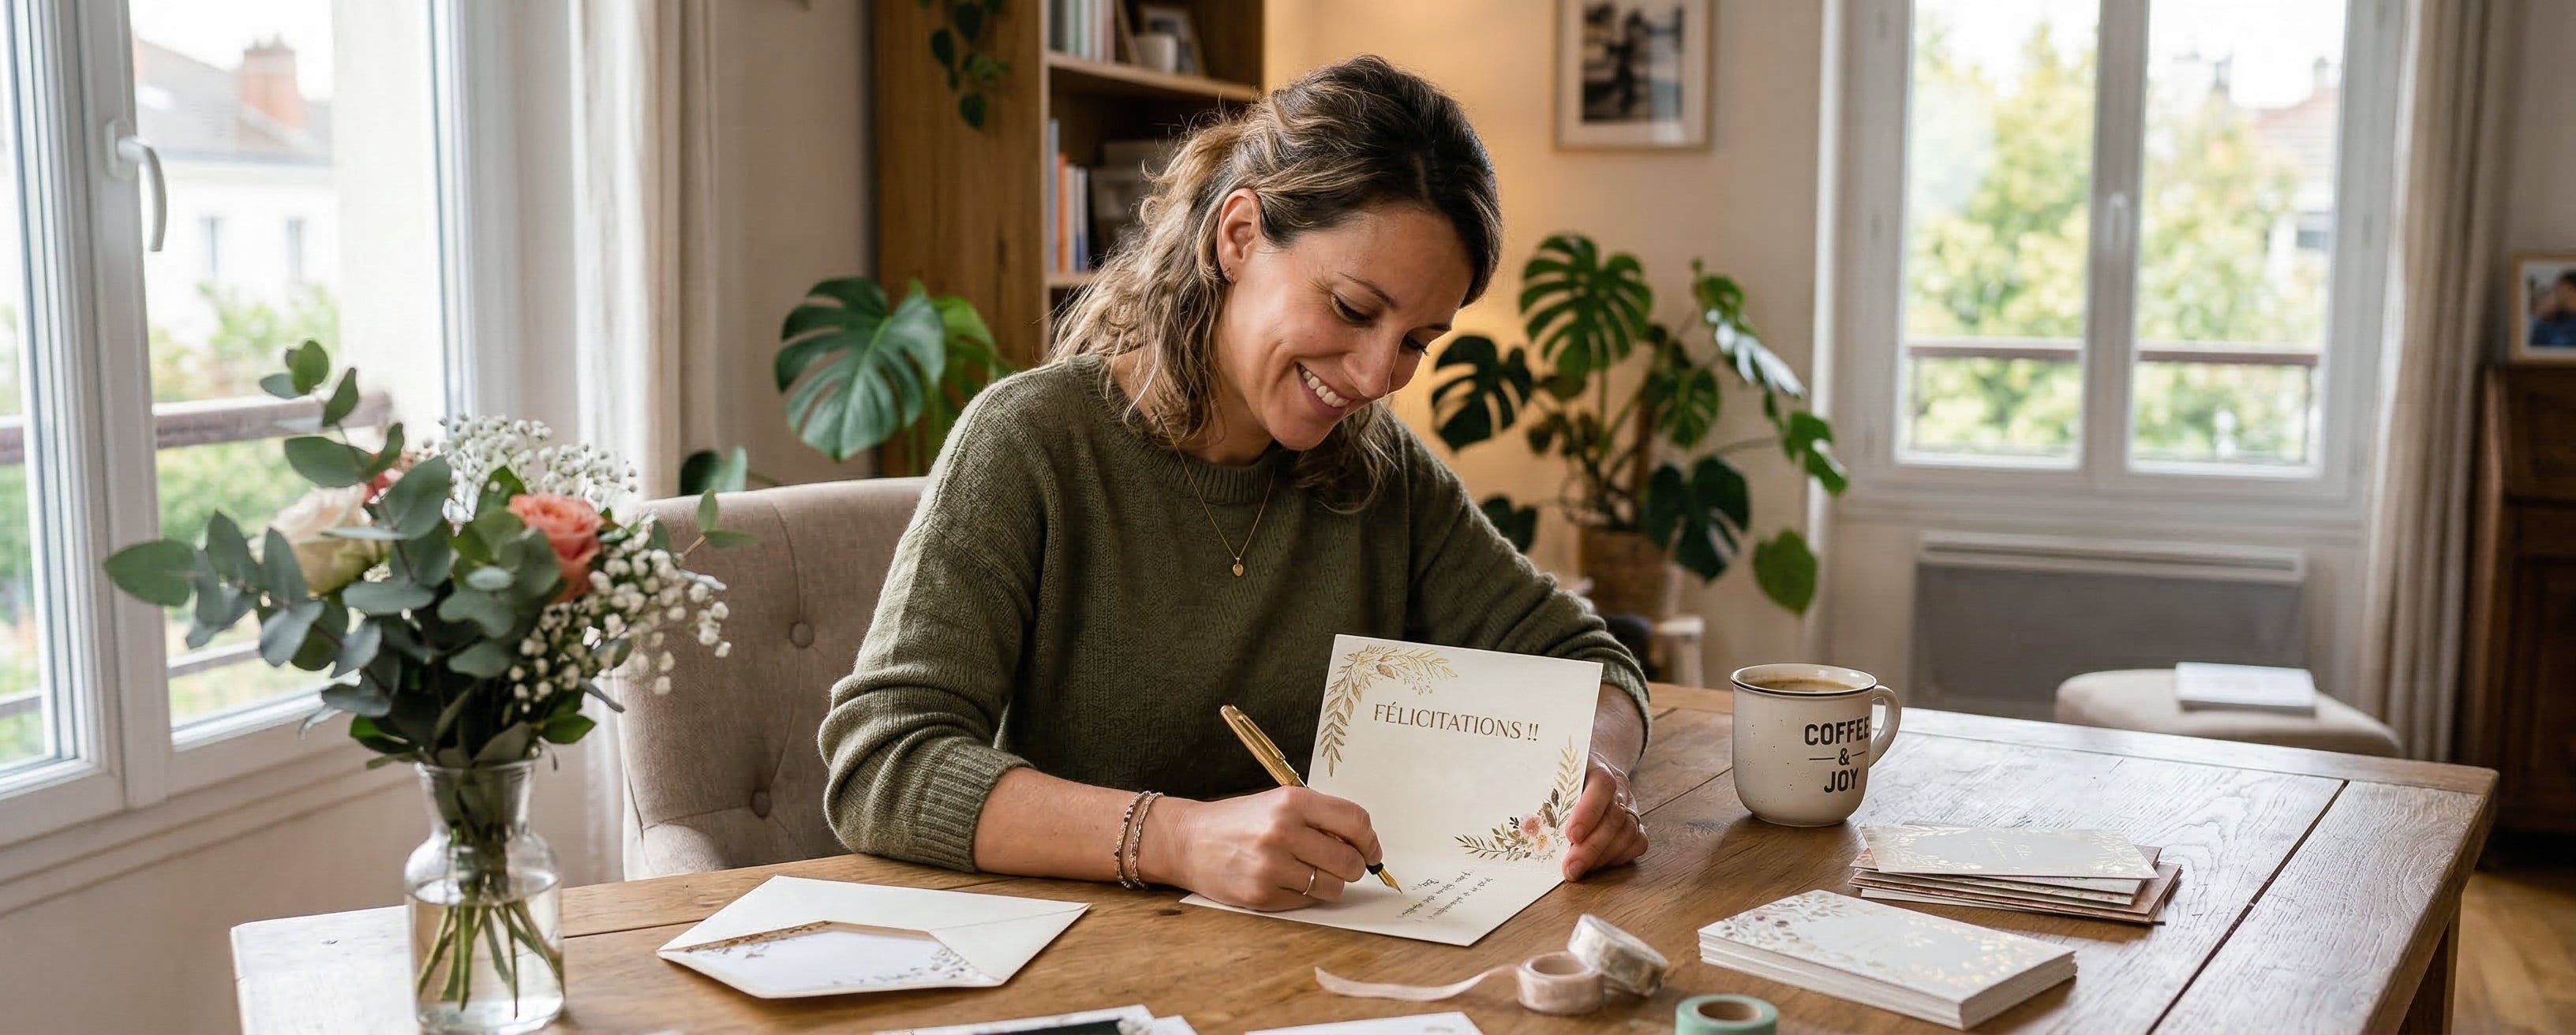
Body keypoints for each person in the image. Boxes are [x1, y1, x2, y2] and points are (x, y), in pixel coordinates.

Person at [818, 55, 1652, 913]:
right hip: (1071, 961)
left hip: (1305, 960)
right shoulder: (1032, 443)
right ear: (1240, 236)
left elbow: (1591, 661)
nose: (1375, 375)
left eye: (1417, 341)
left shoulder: (1381, 473)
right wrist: (1178, 838)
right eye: (1355, 309)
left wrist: (1602, 768)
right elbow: (885, 762)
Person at [2530, 270, 2576, 349]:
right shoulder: (2548, 321)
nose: (2556, 292)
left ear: (2570, 289)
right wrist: (2543, 317)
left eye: (2559, 288)